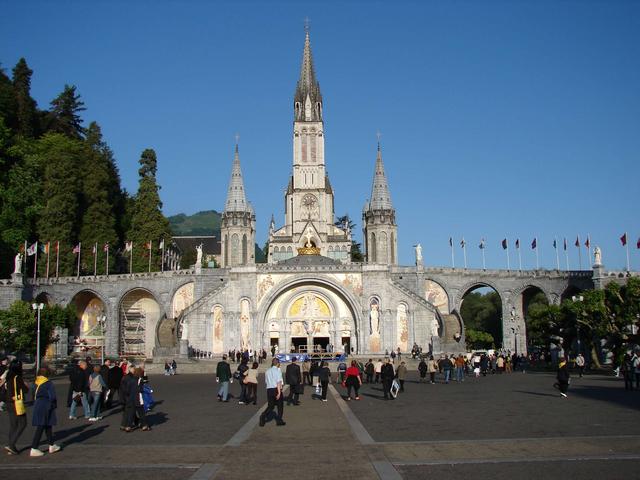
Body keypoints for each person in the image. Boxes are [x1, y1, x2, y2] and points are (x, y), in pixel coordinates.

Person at [29, 367, 61, 457]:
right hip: (46, 404)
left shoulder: (35, 382)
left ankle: (51, 444)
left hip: (38, 404)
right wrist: (53, 404)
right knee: (41, 425)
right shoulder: (48, 383)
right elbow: (52, 396)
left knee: (47, 425)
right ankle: (34, 447)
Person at [4, 360, 28, 455]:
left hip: (8, 402)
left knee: (13, 424)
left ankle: (11, 445)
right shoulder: (17, 378)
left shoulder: (8, 376)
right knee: (23, 423)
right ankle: (11, 444)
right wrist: (25, 385)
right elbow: (25, 390)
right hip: (16, 403)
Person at [259, 358, 285, 426]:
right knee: (280, 406)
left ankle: (263, 415)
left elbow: (266, 382)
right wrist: (279, 392)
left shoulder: (267, 371)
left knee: (270, 406)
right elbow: (278, 382)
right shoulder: (277, 371)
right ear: (278, 363)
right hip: (276, 389)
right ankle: (279, 420)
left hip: (269, 389)